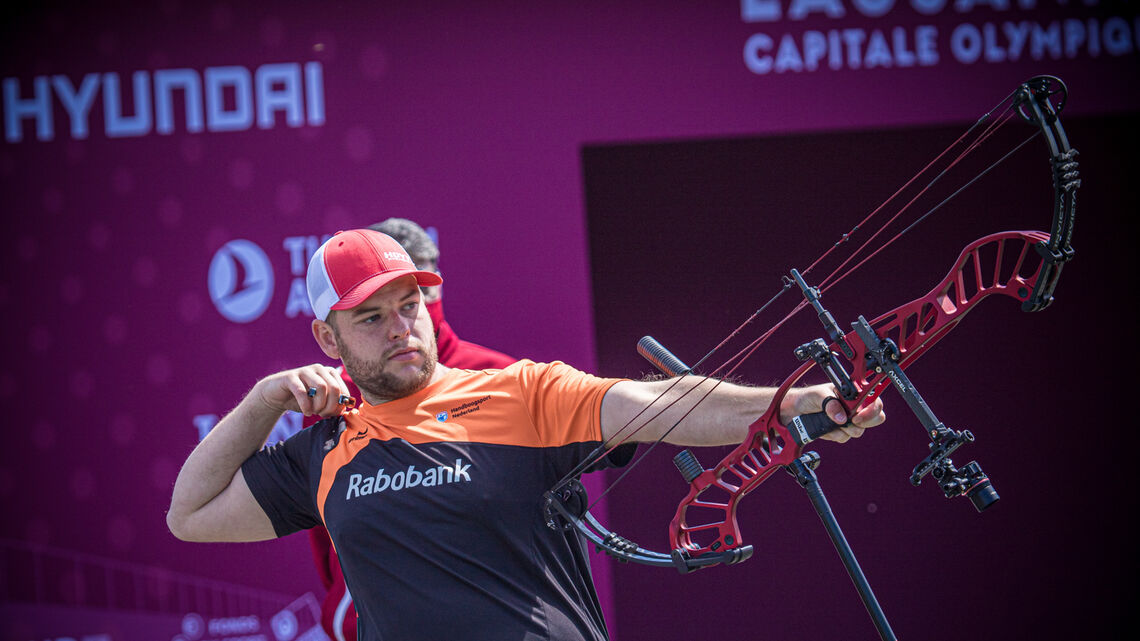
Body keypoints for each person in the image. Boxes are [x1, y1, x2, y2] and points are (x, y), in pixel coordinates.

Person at [167, 229, 885, 641]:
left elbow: (667, 404)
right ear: (327, 337)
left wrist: (805, 402)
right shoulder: (323, 447)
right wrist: (264, 400)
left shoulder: (519, 390)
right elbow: (190, 514)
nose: (401, 328)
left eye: (410, 304)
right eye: (371, 317)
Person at [306, 218, 517, 641]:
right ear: (330, 335)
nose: (401, 326)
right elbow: (325, 533)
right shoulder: (333, 398)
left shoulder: (501, 377)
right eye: (374, 309)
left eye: (416, 298)